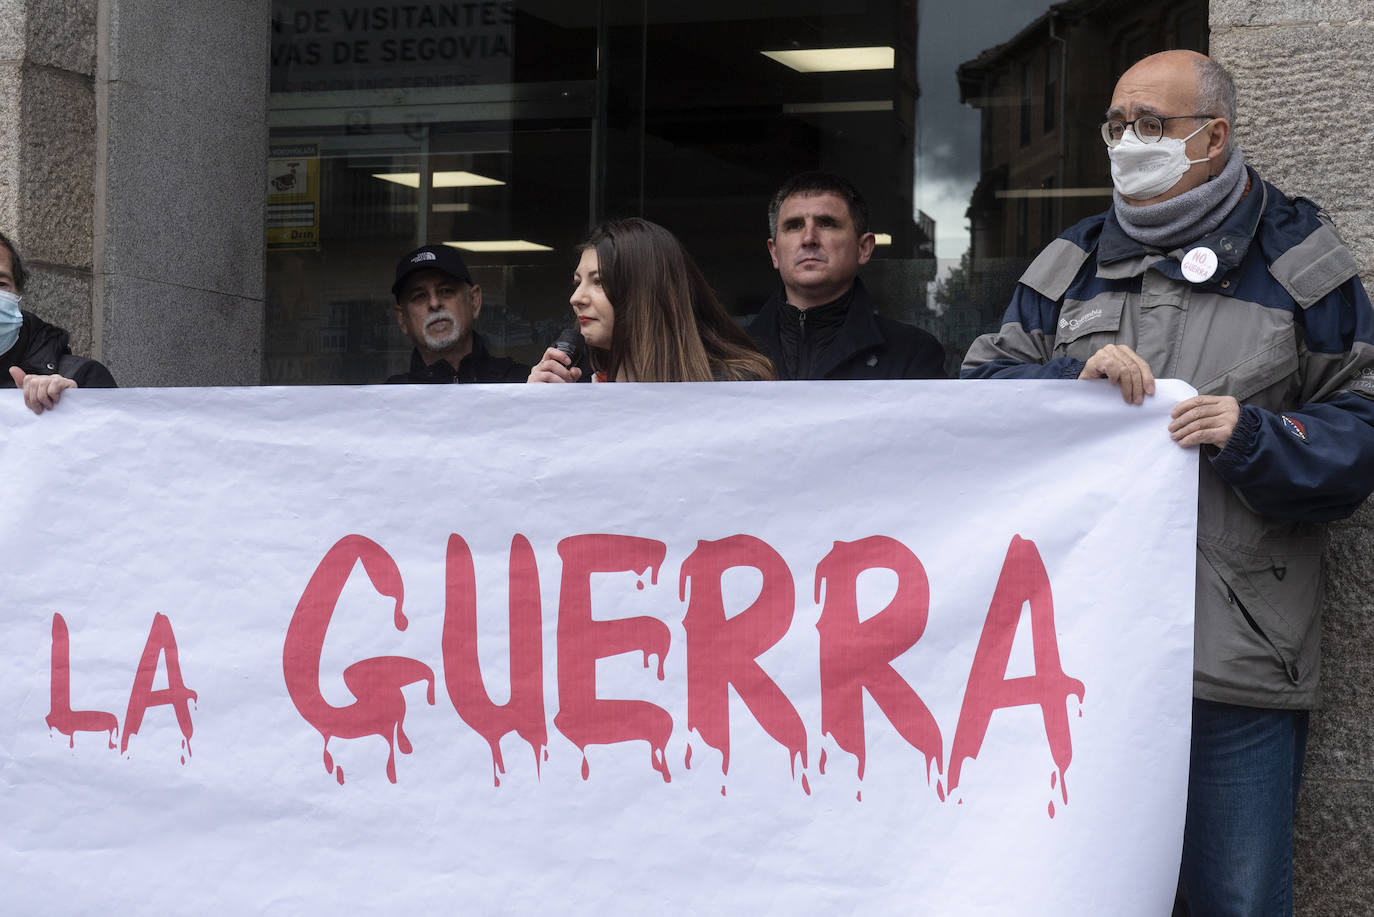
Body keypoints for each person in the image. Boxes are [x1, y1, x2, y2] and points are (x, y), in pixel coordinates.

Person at [961, 50, 1374, 916]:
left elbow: (1361, 429)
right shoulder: (1067, 263)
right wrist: (1064, 386)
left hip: (1236, 665)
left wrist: (1256, 433)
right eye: (1116, 126)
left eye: (1152, 125)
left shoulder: (1300, 257)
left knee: (1238, 898)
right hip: (1080, 658)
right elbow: (977, 406)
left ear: (1213, 136)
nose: (1127, 142)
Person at [749, 171, 945, 380]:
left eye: (826, 223)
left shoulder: (912, 354)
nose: (808, 239)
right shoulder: (730, 353)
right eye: (794, 226)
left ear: (863, 248)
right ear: (774, 253)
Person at [528, 218, 774, 383]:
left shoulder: (735, 384)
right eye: (577, 282)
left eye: (599, 282)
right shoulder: (574, 384)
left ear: (645, 293)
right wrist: (535, 408)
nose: (576, 298)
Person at [0, 232, 116, 414]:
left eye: (0, 283)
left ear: (18, 294)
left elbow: (118, 436)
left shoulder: (82, 377)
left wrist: (73, 406)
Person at [386, 244, 525, 384]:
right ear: (402, 319)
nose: (434, 303)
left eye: (446, 291)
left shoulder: (523, 383)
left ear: (474, 301)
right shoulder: (385, 400)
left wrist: (531, 396)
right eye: (419, 296)